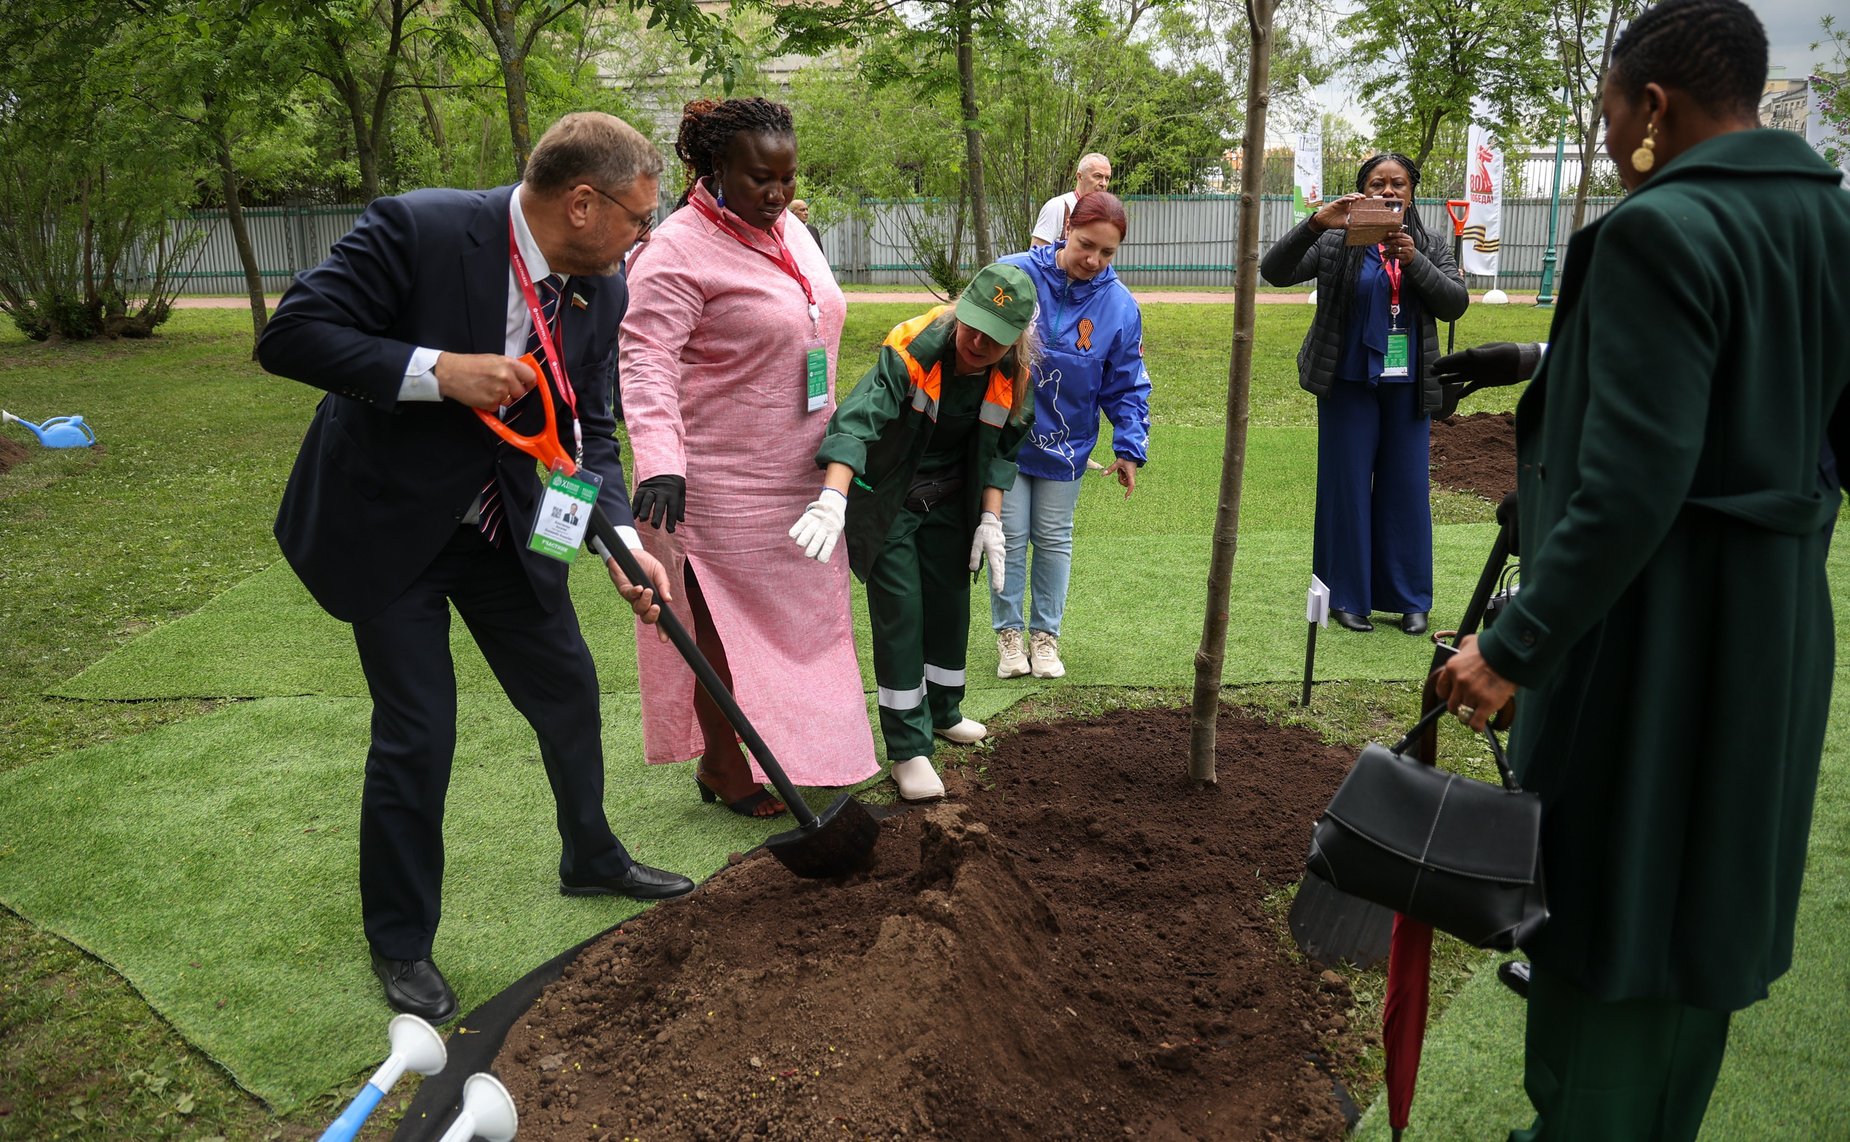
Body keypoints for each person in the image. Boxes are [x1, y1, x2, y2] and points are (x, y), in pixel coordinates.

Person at [1433, 1, 1850, 1136]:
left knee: (1615, 905)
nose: (1611, 135)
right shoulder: (1828, 223)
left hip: (1652, 636)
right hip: (1773, 629)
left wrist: (1510, 646)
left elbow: (1627, 488)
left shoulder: (1653, 232)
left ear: (1650, 107)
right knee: (1703, 896)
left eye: (1609, 108)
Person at [257, 112, 695, 1026]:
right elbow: (291, 334)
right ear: (582, 203)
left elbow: (588, 433)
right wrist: (436, 370)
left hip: (504, 524)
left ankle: (591, 857)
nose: (643, 237)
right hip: (388, 525)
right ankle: (401, 939)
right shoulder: (417, 227)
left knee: (569, 687)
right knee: (420, 733)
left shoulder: (599, 288)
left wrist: (616, 544)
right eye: (638, 218)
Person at [620, 97, 877, 815]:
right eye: (761, 178)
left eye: (788, 179)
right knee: (723, 635)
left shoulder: (792, 229)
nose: (778, 194)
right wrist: (661, 460)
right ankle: (724, 768)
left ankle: (804, 753)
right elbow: (645, 363)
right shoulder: (674, 251)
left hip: (804, 471)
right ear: (714, 169)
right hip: (717, 481)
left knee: (809, 627)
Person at [789, 263, 1036, 801]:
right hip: (892, 497)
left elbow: (1000, 454)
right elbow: (858, 419)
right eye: (972, 323)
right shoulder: (911, 346)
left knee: (949, 605)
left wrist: (990, 519)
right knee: (902, 613)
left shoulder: (1013, 377)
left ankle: (944, 711)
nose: (976, 340)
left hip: (954, 500)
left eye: (994, 336)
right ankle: (908, 749)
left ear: (1016, 339)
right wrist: (834, 496)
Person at [1260, 152, 1468, 635]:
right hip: (1348, 383)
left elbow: (1454, 304)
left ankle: (1409, 598)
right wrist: (1315, 223)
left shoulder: (1431, 243)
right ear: (1362, 190)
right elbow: (1275, 271)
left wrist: (1415, 262)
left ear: (1412, 191)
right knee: (1346, 488)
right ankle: (1346, 596)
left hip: (1409, 385)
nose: (1388, 191)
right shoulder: (1335, 242)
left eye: (1398, 183)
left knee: (1407, 489)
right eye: (1377, 183)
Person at [992, 191, 1150, 680]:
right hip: (1006, 439)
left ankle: (1045, 638)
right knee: (1010, 537)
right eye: (1085, 244)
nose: (1093, 260)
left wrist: (1129, 447)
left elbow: (1126, 381)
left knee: (1054, 538)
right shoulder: (1012, 274)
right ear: (1066, 230)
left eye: (1107, 253)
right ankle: (1009, 638)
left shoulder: (1120, 306)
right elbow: (971, 341)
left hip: (1067, 446)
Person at [1029, 153, 1111, 247]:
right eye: (1098, 176)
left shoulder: (1102, 214)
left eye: (1107, 178)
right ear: (1080, 177)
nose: (1103, 183)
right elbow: (1036, 256)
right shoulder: (1057, 206)